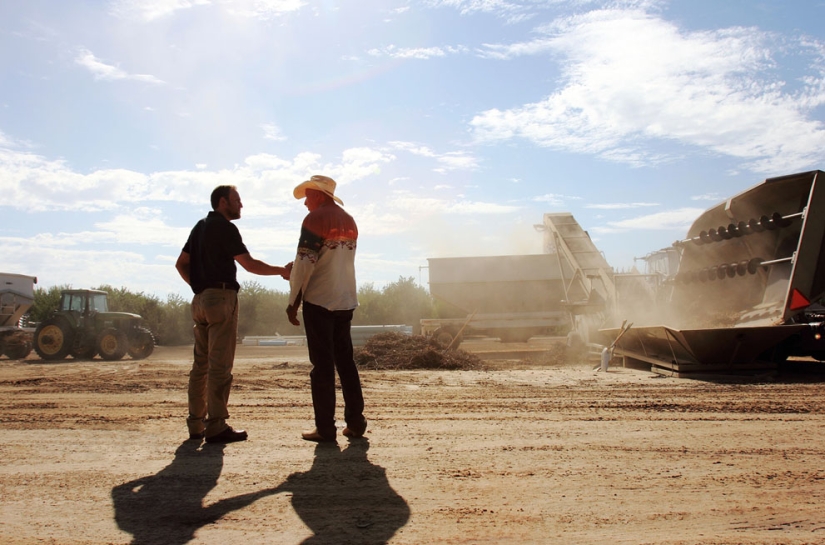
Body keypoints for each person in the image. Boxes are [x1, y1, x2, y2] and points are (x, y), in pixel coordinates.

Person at [176, 185, 291, 444]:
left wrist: (198, 287)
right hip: (220, 298)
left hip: (200, 301)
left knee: (200, 365)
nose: (241, 205)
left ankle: (196, 425)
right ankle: (216, 425)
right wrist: (282, 272)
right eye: (237, 200)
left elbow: (180, 263)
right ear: (222, 202)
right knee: (220, 365)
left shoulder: (199, 227)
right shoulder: (225, 228)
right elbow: (249, 264)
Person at [286, 175, 367, 442]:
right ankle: (356, 422)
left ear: (319, 195)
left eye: (308, 196)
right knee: (345, 362)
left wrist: (293, 301)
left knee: (321, 366)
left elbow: (306, 262)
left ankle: (325, 428)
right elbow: (332, 259)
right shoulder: (349, 220)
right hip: (345, 300)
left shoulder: (314, 219)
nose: (305, 203)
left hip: (319, 300)